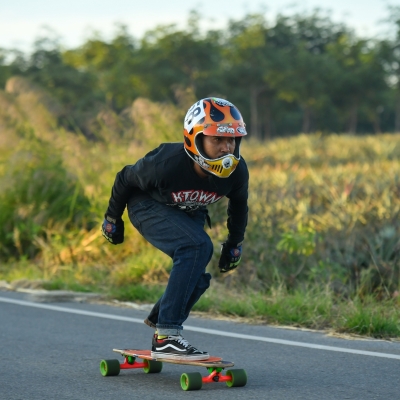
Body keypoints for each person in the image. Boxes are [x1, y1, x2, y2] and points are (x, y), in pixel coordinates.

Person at [101, 97, 249, 360]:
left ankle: (161, 321)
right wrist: (112, 219)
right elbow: (125, 177)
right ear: (195, 138)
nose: (227, 147)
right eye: (217, 139)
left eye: (232, 139)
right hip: (146, 205)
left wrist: (234, 244)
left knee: (198, 275)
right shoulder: (165, 163)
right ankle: (167, 336)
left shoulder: (236, 172)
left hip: (188, 210)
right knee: (196, 246)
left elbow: (238, 206)